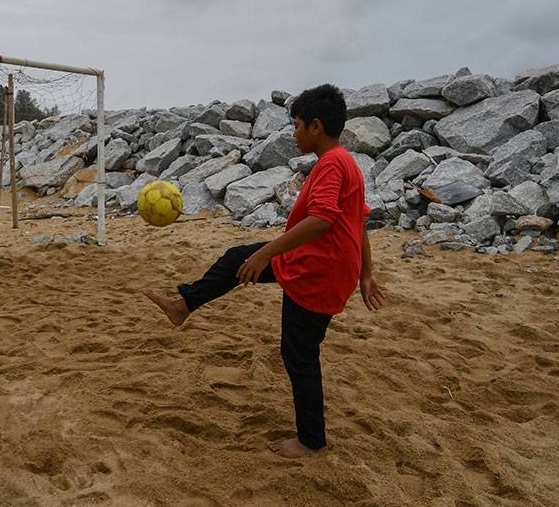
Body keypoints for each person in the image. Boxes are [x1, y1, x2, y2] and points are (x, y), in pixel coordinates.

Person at [144, 84, 387, 458]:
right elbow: (358, 223)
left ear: (316, 127)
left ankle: (311, 442)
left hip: (317, 271)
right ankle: (183, 305)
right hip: (317, 261)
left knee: (299, 353)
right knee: (235, 258)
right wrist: (365, 275)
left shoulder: (333, 164)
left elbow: (322, 220)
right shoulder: (344, 162)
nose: (294, 133)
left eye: (297, 125)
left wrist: (266, 254)